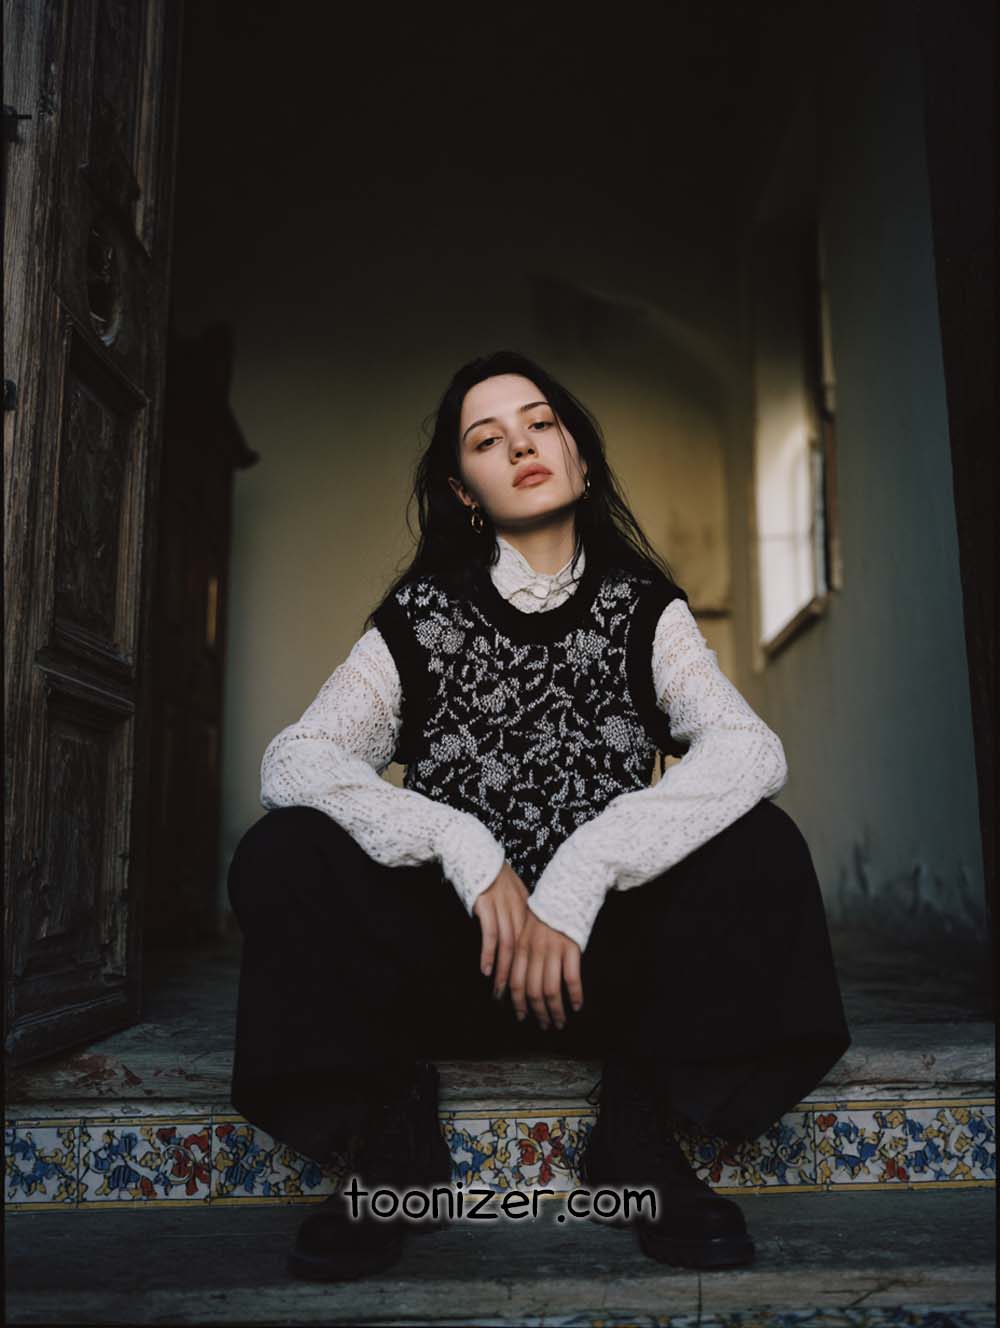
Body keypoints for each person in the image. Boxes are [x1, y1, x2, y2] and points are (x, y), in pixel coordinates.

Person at [226, 349, 852, 1283]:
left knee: (762, 839)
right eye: (488, 439)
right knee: (280, 851)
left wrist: (587, 867)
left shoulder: (645, 609)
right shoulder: (421, 615)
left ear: (580, 459)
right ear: (463, 489)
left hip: (606, 975)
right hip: (450, 967)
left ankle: (638, 1125)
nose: (520, 444)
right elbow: (295, 757)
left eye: (540, 424)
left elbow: (749, 748)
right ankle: (393, 1133)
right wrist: (463, 846)